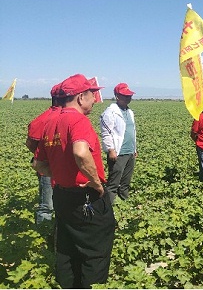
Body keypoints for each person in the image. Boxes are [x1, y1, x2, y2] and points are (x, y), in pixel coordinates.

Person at [33, 74, 115, 289]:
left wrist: (62, 174)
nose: (95, 99)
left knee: (67, 249)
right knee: (95, 252)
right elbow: (80, 152)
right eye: (92, 95)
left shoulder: (51, 122)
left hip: (62, 195)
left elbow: (38, 165)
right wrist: (96, 182)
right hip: (85, 197)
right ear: (80, 97)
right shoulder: (78, 120)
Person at [25, 83, 62, 224]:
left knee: (49, 204)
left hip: (48, 168)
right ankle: (45, 232)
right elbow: (31, 143)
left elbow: (30, 143)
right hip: (49, 169)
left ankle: (52, 232)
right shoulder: (45, 119)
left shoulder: (42, 118)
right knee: (48, 205)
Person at [100, 83, 138, 204]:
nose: (128, 98)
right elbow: (106, 133)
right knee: (113, 183)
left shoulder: (129, 112)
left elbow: (132, 131)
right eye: (125, 96)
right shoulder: (110, 112)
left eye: (129, 96)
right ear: (117, 96)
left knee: (126, 181)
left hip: (130, 152)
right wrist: (111, 150)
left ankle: (124, 202)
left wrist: (134, 149)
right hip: (118, 152)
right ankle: (108, 207)